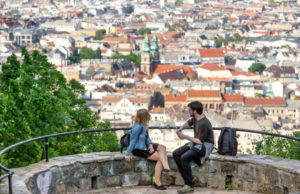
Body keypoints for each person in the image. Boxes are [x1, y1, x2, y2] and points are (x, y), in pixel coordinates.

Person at [124, 108, 175, 190]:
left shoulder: (144, 126)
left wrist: (150, 144)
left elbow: (147, 138)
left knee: (162, 147)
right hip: (139, 149)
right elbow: (132, 142)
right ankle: (157, 182)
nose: (149, 116)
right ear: (144, 117)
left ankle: (166, 168)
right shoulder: (137, 127)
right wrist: (127, 154)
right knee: (160, 158)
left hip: (145, 145)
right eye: (148, 115)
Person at [173, 101, 215, 193]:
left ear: (195, 111)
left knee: (184, 158)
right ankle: (190, 179)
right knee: (176, 154)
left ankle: (189, 185)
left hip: (205, 145)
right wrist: (181, 128)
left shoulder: (204, 123)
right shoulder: (196, 118)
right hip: (196, 142)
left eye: (190, 110)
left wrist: (184, 137)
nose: (188, 111)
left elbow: (200, 141)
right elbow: (188, 123)